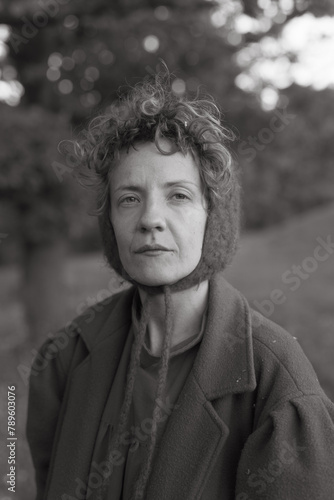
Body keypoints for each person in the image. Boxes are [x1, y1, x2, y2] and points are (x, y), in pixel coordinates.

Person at [26, 71, 334, 500]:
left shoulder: (278, 385)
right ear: (110, 221)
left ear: (214, 215)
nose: (151, 219)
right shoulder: (64, 357)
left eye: (179, 196)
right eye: (129, 198)